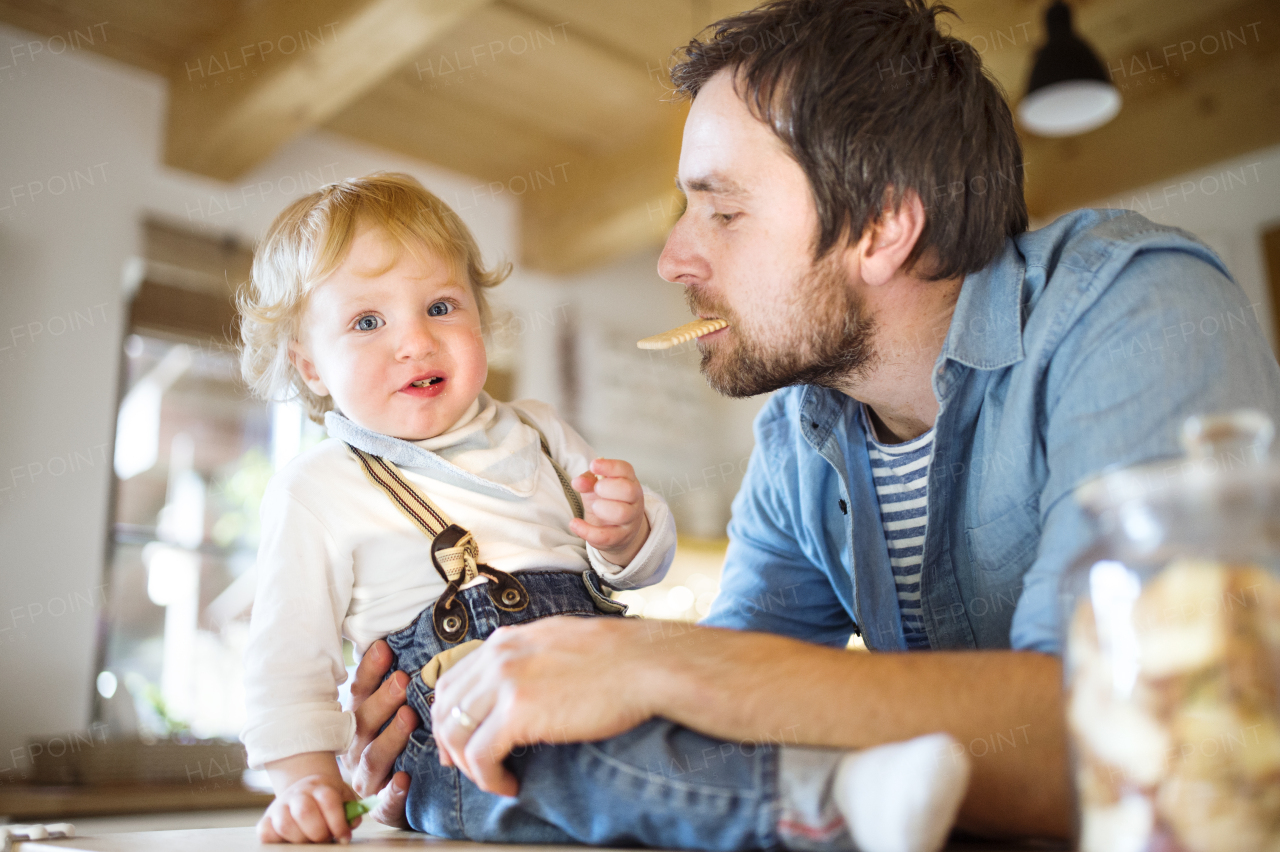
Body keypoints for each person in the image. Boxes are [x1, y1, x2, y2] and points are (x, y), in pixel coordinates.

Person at [342, 0, 1280, 842]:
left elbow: (1147, 744)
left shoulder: (1135, 309)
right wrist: (451, 744)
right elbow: (729, 722)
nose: (672, 259)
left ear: (881, 227)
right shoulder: (802, 431)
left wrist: (660, 659)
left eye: (723, 212)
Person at [237, 172, 974, 850]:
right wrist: (307, 780)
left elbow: (632, 572)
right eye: (367, 323)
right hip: (466, 740)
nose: (415, 341)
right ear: (308, 364)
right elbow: (286, 660)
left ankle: (854, 775)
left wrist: (629, 530)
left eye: (440, 306)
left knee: (693, 725)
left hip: (593, 678)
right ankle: (829, 805)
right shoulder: (320, 486)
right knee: (574, 766)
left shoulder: (535, 429)